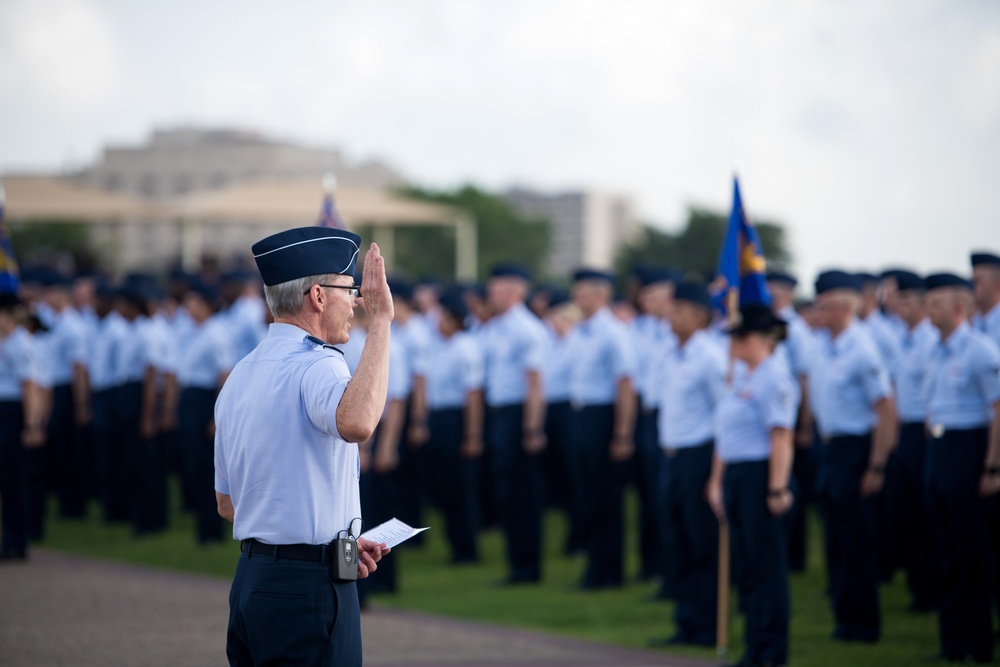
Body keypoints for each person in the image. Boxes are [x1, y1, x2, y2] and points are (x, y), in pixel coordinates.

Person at [215, 227, 391, 667]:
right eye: (349, 290)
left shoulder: (241, 373)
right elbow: (358, 422)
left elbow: (228, 502)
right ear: (317, 295)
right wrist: (383, 322)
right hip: (306, 589)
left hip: (254, 579)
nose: (355, 301)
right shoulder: (318, 363)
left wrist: (340, 543)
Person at [708, 304, 800, 667]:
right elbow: (726, 432)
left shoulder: (775, 378)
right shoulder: (744, 375)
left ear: (759, 340)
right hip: (738, 474)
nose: (733, 344)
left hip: (762, 475)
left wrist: (777, 488)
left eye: (740, 337)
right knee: (747, 568)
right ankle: (755, 647)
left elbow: (781, 436)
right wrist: (717, 481)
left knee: (767, 568)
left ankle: (772, 651)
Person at [808, 270, 896, 643]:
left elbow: (886, 412)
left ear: (845, 307)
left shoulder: (862, 349)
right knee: (836, 540)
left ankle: (863, 625)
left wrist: (876, 465)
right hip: (830, 448)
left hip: (855, 449)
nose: (818, 314)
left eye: (825, 307)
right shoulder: (823, 346)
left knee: (856, 541)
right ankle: (844, 619)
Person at [923, 272, 1000, 664]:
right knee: (945, 550)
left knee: (972, 552)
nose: (928, 311)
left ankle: (977, 643)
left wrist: (992, 466)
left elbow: (998, 410)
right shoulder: (936, 349)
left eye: (935, 304)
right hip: (940, 449)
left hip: (968, 450)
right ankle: (952, 641)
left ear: (957, 308)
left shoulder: (980, 350)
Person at [652, 281, 726, 644]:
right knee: (676, 541)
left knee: (702, 543)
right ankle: (686, 621)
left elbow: (723, 414)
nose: (671, 317)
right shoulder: (670, 352)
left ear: (699, 318)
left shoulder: (710, 356)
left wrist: (715, 472)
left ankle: (709, 624)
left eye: (679, 311)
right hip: (671, 456)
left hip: (700, 455)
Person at [565, 268, 637, 590]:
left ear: (602, 295)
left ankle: (609, 571)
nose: (576, 298)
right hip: (581, 416)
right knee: (587, 496)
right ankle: (595, 566)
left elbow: (625, 386)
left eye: (583, 292)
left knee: (606, 498)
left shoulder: (612, 332)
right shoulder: (582, 331)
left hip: (602, 418)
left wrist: (622, 434)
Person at [480, 263, 548, 584]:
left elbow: (535, 382)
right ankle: (517, 562)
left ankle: (528, 566)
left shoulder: (526, 328)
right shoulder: (497, 326)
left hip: (519, 413)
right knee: (507, 491)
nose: (491, 294)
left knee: (523, 493)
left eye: (497, 288)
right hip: (499, 413)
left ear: (516, 291)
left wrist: (533, 428)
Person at [885, 270, 939, 611]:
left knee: (927, 514)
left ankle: (933, 589)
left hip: (926, 432)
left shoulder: (930, 340)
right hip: (905, 431)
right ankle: (920, 587)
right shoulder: (901, 339)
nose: (898, 306)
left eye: (906, 300)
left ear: (922, 304)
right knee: (907, 514)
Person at [423, 289, 484, 564]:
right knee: (446, 487)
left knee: (461, 488)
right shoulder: (441, 346)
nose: (438, 322)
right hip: (439, 419)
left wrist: (472, 435)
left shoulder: (465, 347)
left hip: (457, 420)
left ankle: (467, 548)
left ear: (454, 319)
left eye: (442, 317)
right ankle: (455, 545)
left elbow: (472, 396)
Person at [766, 270, 816, 573]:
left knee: (790, 483)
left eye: (773, 290)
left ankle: (795, 556)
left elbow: (804, 377)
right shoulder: (766, 323)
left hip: (789, 413)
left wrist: (804, 422)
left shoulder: (795, 328)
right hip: (773, 413)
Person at [177, 282, 235, 544]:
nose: (189, 308)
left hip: (204, 401)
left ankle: (211, 531)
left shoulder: (215, 333)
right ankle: (204, 526)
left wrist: (216, 417)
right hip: (190, 398)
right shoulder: (195, 331)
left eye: (194, 303)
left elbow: (224, 375)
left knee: (205, 468)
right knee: (193, 465)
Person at [630, 267, 677, 581]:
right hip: (646, 415)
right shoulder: (643, 329)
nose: (645, 301)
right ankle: (651, 565)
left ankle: (668, 566)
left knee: (668, 495)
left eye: (652, 295)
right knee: (648, 495)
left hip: (670, 418)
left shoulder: (679, 333)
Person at [0, 293, 44, 560]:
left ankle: (17, 541)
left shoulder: (20, 344)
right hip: (4, 410)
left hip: (14, 413)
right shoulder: (6, 343)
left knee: (14, 480)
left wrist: (31, 425)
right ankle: (11, 538)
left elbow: (30, 387)